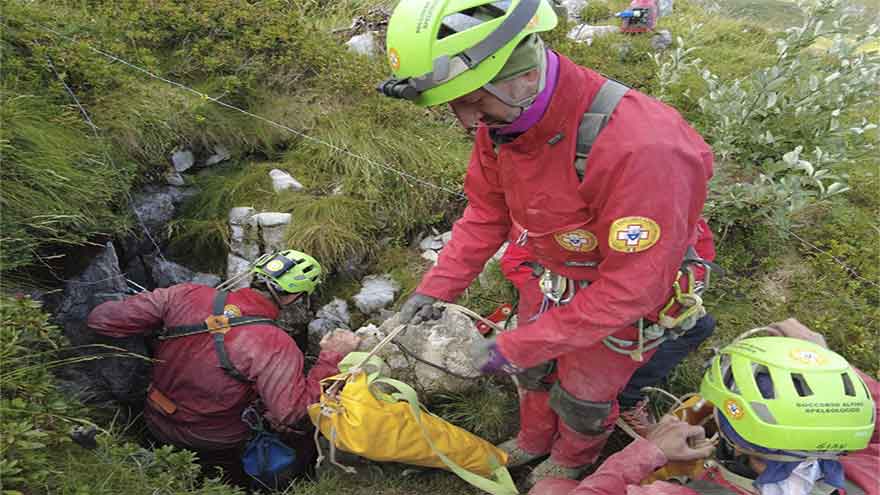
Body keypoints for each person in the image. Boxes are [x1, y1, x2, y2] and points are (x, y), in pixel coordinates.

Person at [381, 0, 716, 483]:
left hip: (625, 290)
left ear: (521, 73)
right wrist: (437, 287)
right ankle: (534, 440)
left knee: (586, 392)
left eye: (473, 101)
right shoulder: (507, 122)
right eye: (454, 105)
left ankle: (572, 457)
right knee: (533, 370)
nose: (466, 121)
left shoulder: (644, 149)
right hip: (551, 268)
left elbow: (633, 288)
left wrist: (518, 344)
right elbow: (487, 212)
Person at [87, 249, 360, 485]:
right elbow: (293, 414)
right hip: (213, 442)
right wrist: (331, 357)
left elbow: (101, 319)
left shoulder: (185, 294)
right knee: (296, 442)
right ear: (293, 297)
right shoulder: (275, 344)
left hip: (154, 420)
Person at [530, 319, 879, 495]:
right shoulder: (868, 468)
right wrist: (821, 363)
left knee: (549, 489)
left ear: (733, 438)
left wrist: (647, 451)